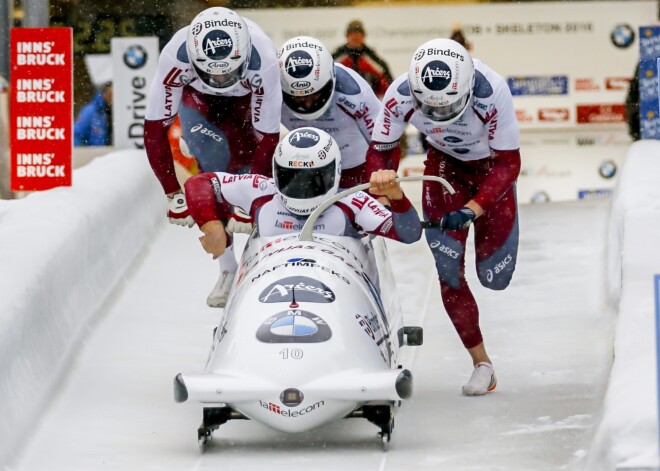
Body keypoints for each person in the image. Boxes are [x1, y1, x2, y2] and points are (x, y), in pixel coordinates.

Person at [366, 38, 521, 396]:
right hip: (444, 170)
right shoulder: (400, 93)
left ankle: (484, 229)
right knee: (449, 272)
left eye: (446, 108)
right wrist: (382, 178)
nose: (437, 117)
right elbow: (380, 152)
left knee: (495, 277)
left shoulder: (491, 91)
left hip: (489, 174)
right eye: (428, 110)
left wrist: (473, 210)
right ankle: (482, 363)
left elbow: (508, 164)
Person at [144, 6, 282, 308]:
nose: (220, 80)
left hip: (246, 102)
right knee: (214, 168)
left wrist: (252, 194)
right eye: (212, 72)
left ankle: (262, 257)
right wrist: (172, 193)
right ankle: (227, 268)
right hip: (199, 102)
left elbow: (268, 137)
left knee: (249, 170)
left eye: (227, 72)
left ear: (243, 57)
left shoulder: (265, 61)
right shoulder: (174, 57)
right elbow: (155, 128)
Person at [183, 127, 422, 261]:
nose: (303, 187)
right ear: (277, 173)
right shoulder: (261, 190)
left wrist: (397, 198)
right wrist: (211, 226)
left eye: (313, 179)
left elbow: (410, 233)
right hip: (267, 285)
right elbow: (199, 183)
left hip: (336, 288)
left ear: (335, 172)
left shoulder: (353, 202)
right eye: (292, 177)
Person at [279, 36, 386, 190]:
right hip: (310, 171)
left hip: (360, 171)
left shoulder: (354, 94)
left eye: (314, 95)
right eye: (298, 98)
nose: (307, 104)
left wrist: (380, 177)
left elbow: (381, 142)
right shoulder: (273, 91)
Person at [332, 20, 393, 99]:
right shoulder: (336, 57)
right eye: (352, 33)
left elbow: (388, 86)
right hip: (341, 102)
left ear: (364, 36)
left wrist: (375, 85)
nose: (355, 37)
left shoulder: (373, 58)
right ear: (347, 36)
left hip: (368, 103)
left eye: (358, 33)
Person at [74, 82, 112, 146]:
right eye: (110, 94)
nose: (112, 98)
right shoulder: (90, 111)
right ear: (104, 93)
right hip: (94, 154)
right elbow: (76, 135)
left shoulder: (122, 112)